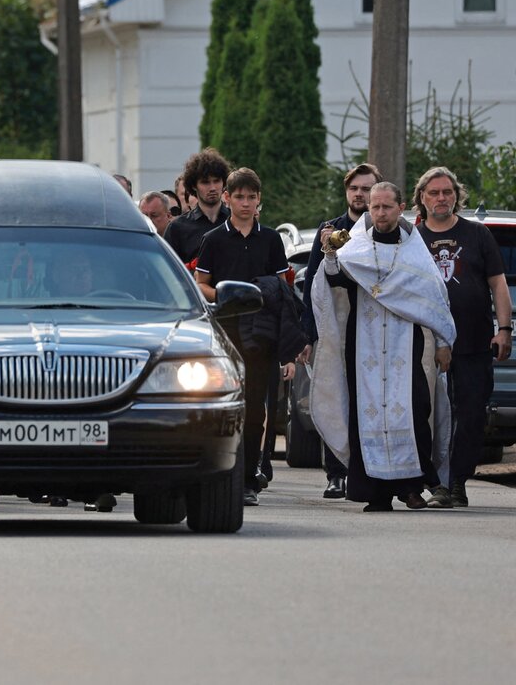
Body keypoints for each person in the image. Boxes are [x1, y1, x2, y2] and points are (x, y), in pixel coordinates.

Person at [312, 182, 456, 512]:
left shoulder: (414, 251)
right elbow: (334, 280)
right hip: (365, 347)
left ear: (400, 207)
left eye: (386, 207)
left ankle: (411, 488)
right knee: (368, 415)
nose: (379, 213)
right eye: (374, 207)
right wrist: (330, 253)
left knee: (415, 410)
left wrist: (445, 342)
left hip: (406, 346)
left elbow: (435, 298)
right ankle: (376, 494)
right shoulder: (357, 248)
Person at [414, 166, 512, 508]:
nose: (442, 198)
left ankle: (456, 483)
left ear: (456, 195)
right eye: (434, 193)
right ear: (422, 199)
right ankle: (430, 482)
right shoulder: (413, 238)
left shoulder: (477, 235)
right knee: (427, 416)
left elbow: (498, 283)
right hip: (423, 346)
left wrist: (504, 330)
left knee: (470, 416)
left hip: (473, 343)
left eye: (447, 192)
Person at [194, 168, 290, 507]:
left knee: (254, 412)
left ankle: (249, 478)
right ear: (227, 198)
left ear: (259, 200)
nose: (245, 203)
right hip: (224, 335)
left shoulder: (271, 240)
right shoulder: (215, 239)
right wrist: (224, 294)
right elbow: (200, 282)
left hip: (261, 337)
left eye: (251, 197)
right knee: (220, 406)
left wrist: (289, 348)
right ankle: (218, 473)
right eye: (239, 196)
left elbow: (283, 288)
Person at [299, 162, 381, 499]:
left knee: (370, 400)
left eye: (367, 188)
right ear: (347, 191)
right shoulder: (330, 229)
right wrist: (308, 333)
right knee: (335, 395)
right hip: (336, 328)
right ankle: (335, 474)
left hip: (375, 332)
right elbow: (313, 285)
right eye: (355, 188)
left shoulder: (384, 228)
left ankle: (369, 469)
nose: (360, 194)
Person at [165, 148, 231, 264]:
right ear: (194, 186)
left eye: (216, 181)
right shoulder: (177, 228)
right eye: (205, 182)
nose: (212, 188)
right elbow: (169, 272)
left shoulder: (236, 221)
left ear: (224, 183)